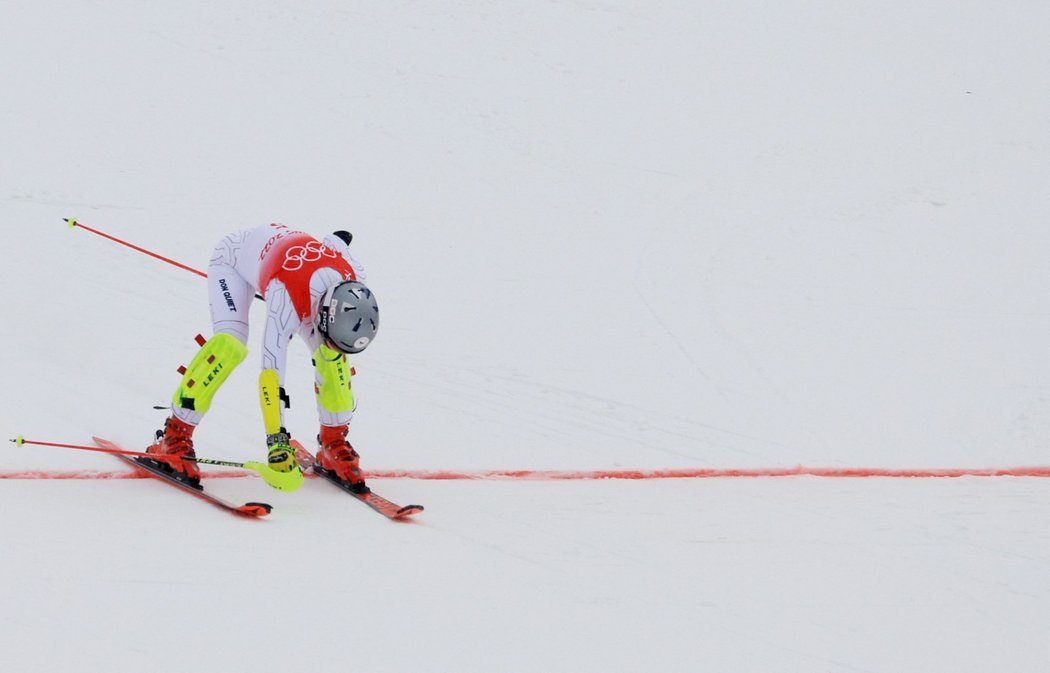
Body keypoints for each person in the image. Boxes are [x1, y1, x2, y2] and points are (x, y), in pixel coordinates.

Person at [143, 223, 379, 493]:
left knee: (331, 356)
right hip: (234, 261)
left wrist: (338, 240)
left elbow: (335, 242)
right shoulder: (285, 300)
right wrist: (276, 441)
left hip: (293, 271)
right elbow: (272, 370)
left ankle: (333, 443)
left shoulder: (355, 276)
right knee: (231, 343)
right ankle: (174, 435)